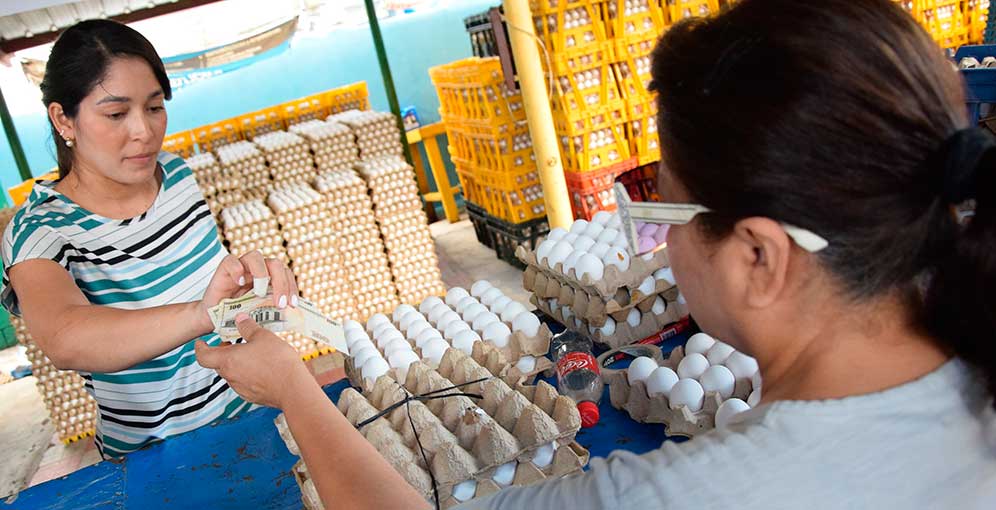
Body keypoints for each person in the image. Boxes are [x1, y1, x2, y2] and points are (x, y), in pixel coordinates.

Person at [196, 0, 996, 508]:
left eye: (662, 209)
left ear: (759, 257)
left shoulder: (695, 493)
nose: (655, 243)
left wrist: (293, 390)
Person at [1, 20, 301, 458]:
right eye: (116, 114)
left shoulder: (176, 176)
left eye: (155, 107)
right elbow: (66, 337)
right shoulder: (41, 230)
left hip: (248, 413)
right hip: (154, 457)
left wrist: (247, 286)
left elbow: (208, 292)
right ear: (63, 119)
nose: (144, 131)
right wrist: (202, 313)